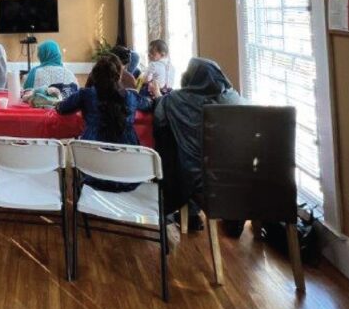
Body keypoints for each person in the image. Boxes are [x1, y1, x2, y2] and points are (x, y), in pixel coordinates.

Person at [155, 57, 243, 229]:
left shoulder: (176, 100)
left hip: (197, 178)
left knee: (174, 145)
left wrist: (159, 95)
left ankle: (190, 212)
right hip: (238, 178)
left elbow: (159, 119)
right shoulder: (234, 100)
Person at [54, 54, 158, 191]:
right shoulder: (131, 97)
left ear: (94, 75)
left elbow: (62, 108)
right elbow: (150, 104)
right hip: (129, 178)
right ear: (119, 76)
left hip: (92, 176)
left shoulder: (85, 95)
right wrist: (156, 93)